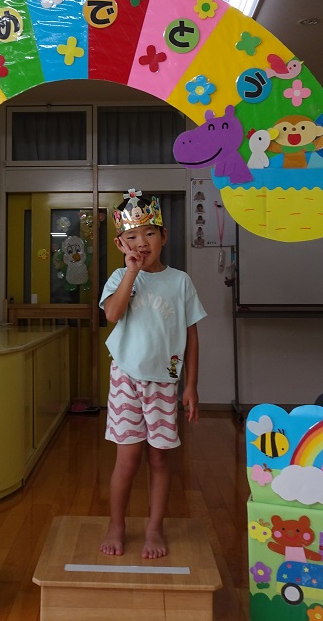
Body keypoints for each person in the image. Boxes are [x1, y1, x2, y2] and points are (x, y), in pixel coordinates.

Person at [99, 189, 207, 559]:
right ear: (120, 243)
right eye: (131, 236)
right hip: (126, 377)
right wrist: (131, 272)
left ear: (164, 236)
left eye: (149, 233)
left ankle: (154, 528)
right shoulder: (120, 277)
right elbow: (112, 315)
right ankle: (116, 525)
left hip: (165, 380)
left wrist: (191, 385)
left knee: (160, 459)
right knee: (127, 460)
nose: (141, 243)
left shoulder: (180, 281)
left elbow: (192, 336)